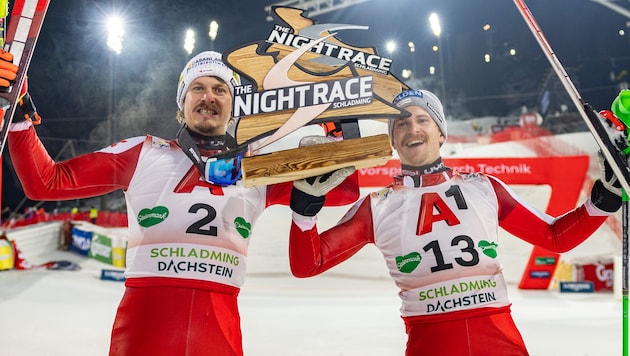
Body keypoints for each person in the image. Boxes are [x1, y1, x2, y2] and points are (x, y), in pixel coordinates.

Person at [3, 50, 358, 356]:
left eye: (220, 89)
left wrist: (343, 122)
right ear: (182, 102)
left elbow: (344, 188)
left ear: (233, 105)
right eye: (198, 88)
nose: (209, 96)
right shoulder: (142, 153)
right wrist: (17, 111)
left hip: (218, 338)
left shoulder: (257, 166)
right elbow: (46, 182)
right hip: (143, 338)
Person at [287, 88, 623, 355]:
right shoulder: (376, 207)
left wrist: (605, 197)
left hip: (499, 342)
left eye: (422, 119)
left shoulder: (485, 187)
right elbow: (308, 263)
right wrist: (303, 211)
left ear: (441, 133)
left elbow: (555, 237)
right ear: (393, 140)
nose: (411, 128)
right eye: (401, 123)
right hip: (431, 345)